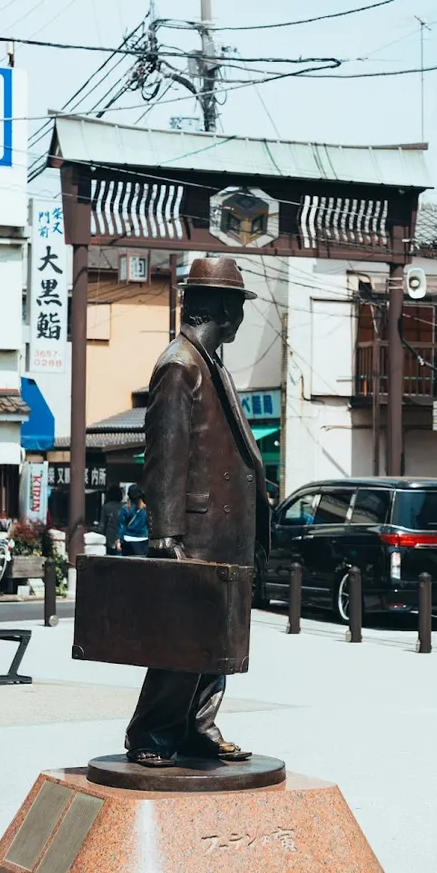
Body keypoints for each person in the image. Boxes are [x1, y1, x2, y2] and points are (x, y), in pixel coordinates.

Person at [124, 257, 270, 768]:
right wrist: (165, 532)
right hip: (196, 533)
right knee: (182, 641)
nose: (241, 317)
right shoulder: (180, 364)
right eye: (238, 304)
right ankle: (153, 731)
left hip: (223, 532)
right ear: (222, 310)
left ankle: (199, 725)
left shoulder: (211, 363)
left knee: (215, 642)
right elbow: (165, 454)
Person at [118, 485, 149, 556]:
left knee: (127, 565)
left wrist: (119, 540)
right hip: (143, 540)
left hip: (128, 540)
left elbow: (122, 526)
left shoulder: (125, 509)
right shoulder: (146, 509)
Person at [99, 484, 123, 556]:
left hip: (110, 540)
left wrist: (90, 528)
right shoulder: (124, 506)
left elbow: (101, 527)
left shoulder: (106, 507)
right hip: (121, 539)